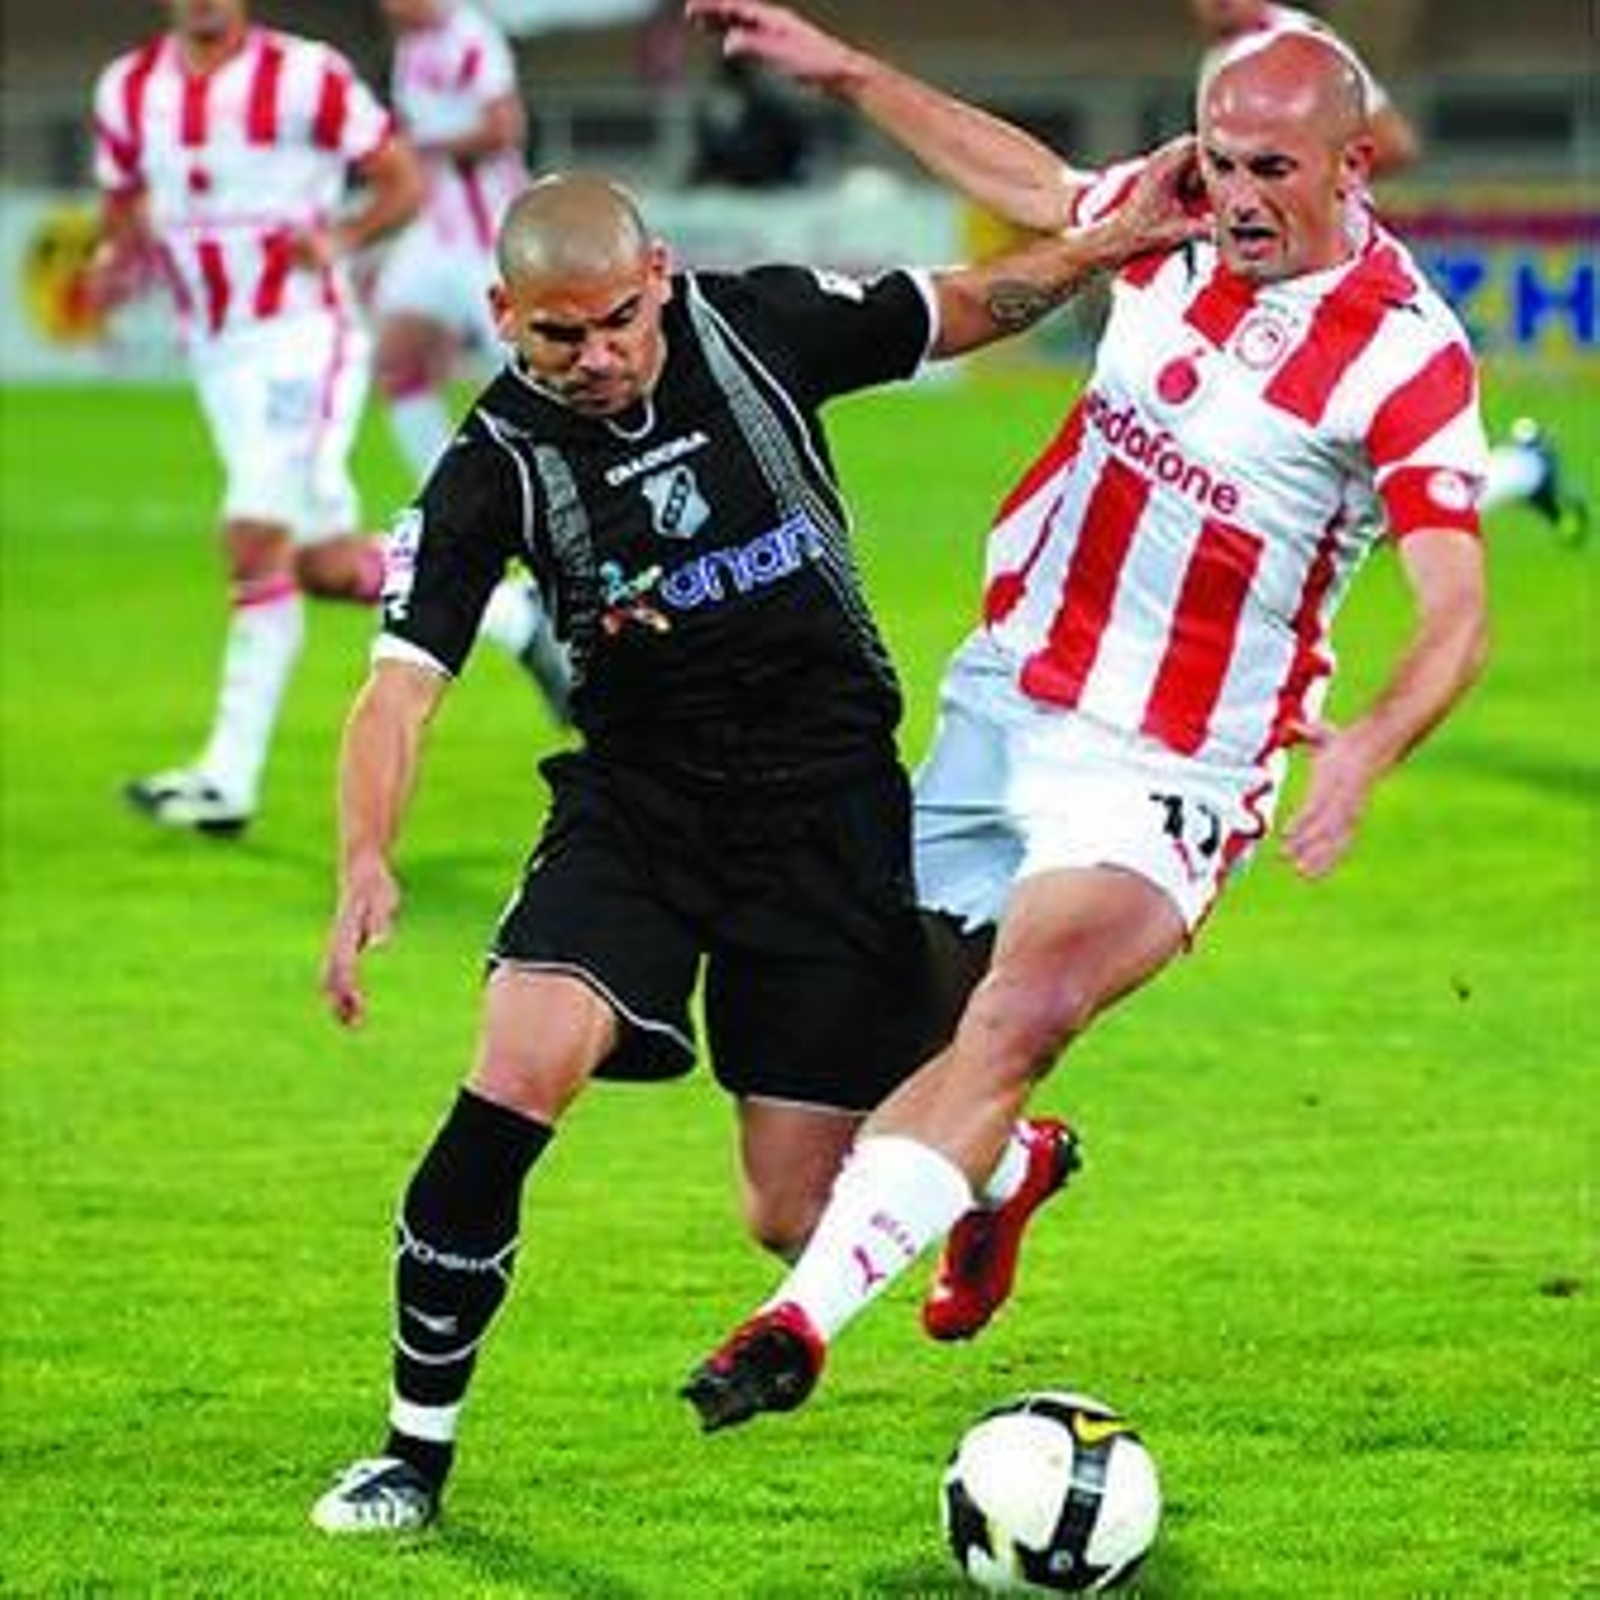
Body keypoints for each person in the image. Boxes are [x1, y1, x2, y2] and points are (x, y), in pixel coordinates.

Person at [307, 165, 1205, 1531]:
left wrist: (1116, 240)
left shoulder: (762, 330)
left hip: (826, 814)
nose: (598, 356)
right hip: (640, 810)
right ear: (503, 315)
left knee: (796, 1216)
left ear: (659, 273)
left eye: (618, 318)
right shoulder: (492, 467)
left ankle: (1008, 1165)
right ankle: (410, 1456)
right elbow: (398, 688)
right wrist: (367, 858)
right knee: (516, 1069)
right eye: (560, 335)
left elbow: (967, 303)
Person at [678, 4, 1491, 1432]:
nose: (1237, 198)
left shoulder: (1406, 359)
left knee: (1021, 1012)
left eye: (1274, 173)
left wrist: (1367, 741)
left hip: (1173, 767)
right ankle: (1004, 1172)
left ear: (1356, 163)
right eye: (1223, 162)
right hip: (1005, 705)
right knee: (799, 1180)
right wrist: (854, 70)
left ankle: (794, 1328)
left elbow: (1456, 607)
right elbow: (1039, 187)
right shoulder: (1171, 217)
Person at [1187, 0, 1587, 539]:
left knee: (1319, 511)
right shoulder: (1229, 55)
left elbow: (1395, 142)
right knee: (1280, 498)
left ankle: (1520, 471)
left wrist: (1309, 193)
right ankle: (1523, 470)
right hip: (1260, 277)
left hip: (1317, 285)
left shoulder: (1301, 46)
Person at [373, 0, 571, 715]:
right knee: (394, 361)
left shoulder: (468, 33)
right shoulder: (409, 48)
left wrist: (425, 144)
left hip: (488, 234)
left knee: (543, 383)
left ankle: (564, 524)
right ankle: (448, 493)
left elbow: (503, 125)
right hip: (435, 234)